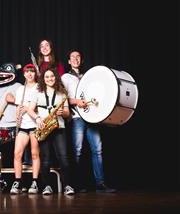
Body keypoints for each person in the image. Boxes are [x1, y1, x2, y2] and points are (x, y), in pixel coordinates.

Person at [61, 50, 117, 193]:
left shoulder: (89, 77)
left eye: (78, 57)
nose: (75, 59)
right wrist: (77, 101)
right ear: (69, 61)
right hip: (76, 118)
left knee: (97, 151)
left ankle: (100, 184)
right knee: (77, 152)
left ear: (81, 60)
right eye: (72, 57)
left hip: (93, 118)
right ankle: (77, 184)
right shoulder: (65, 77)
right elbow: (61, 99)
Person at [28, 68, 75, 196]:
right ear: (43, 79)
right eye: (47, 77)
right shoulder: (37, 92)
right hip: (44, 128)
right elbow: (30, 110)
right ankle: (47, 186)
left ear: (56, 77)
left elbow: (67, 113)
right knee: (45, 159)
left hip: (59, 127)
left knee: (64, 158)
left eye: (52, 76)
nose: (50, 79)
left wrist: (63, 112)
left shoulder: (62, 93)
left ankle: (68, 185)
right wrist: (38, 119)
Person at [10, 64, 40, 194]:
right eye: (27, 72)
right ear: (24, 74)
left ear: (35, 74)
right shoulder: (20, 89)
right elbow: (18, 106)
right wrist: (17, 115)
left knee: (34, 154)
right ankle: (18, 181)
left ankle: (35, 182)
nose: (30, 74)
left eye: (32, 71)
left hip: (35, 125)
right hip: (23, 126)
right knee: (17, 154)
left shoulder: (39, 88)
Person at [0, 62, 22, 167]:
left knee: (15, 154)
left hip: (13, 124)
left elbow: (24, 103)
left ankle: (15, 180)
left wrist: (13, 100)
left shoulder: (19, 86)